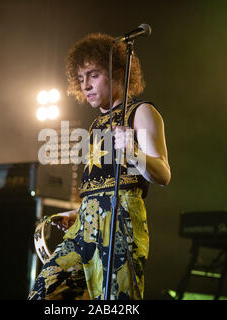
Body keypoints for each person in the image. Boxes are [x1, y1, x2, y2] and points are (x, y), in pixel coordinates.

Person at [28, 33, 171, 300]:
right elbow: (100, 185)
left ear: (117, 72)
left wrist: (134, 153)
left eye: (93, 75)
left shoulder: (141, 112)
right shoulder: (96, 124)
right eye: (81, 79)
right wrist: (79, 211)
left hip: (122, 221)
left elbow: (163, 174)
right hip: (84, 225)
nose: (86, 86)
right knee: (42, 295)